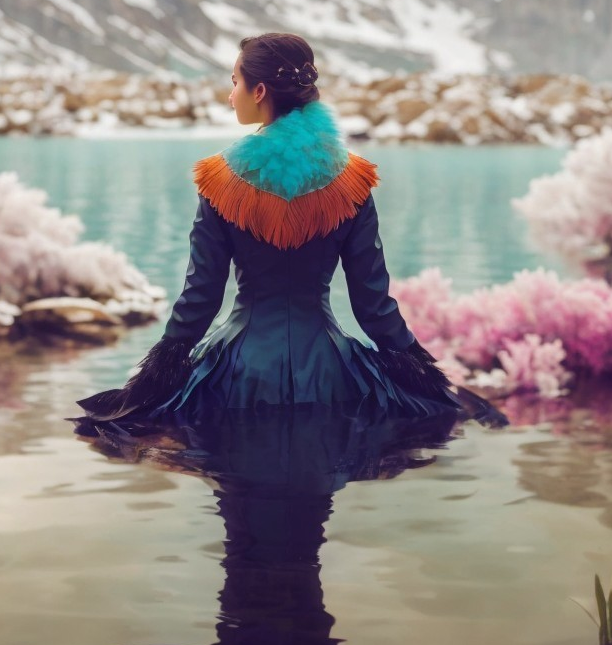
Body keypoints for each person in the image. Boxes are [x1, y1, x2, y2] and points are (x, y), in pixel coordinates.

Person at [75, 32, 502, 428]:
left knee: (239, 496)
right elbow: (372, 304)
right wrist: (422, 373)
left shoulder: (219, 179)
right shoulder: (352, 180)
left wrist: (157, 372)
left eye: (235, 82)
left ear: (259, 92)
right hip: (331, 371)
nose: (230, 95)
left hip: (239, 371)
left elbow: (201, 296)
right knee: (315, 498)